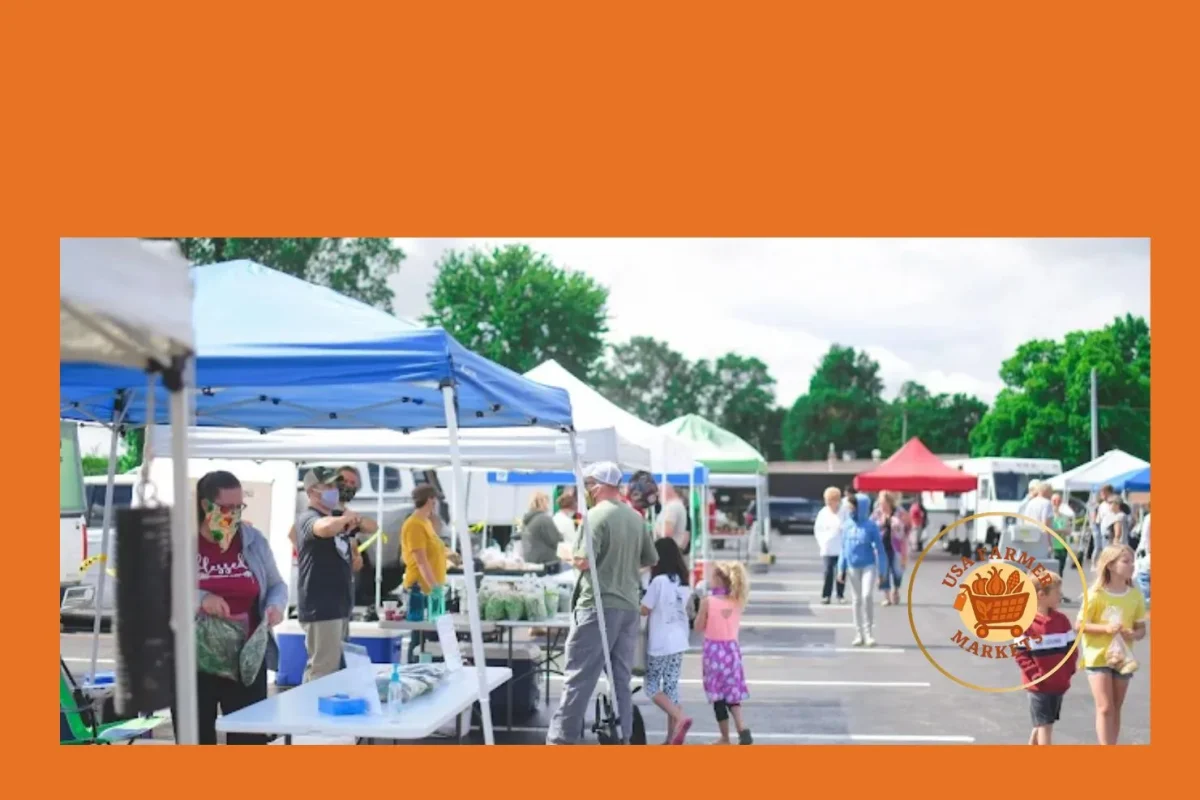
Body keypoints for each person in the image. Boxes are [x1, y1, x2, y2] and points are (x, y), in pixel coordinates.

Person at [546, 462, 658, 745]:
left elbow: (583, 560)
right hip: (628, 605)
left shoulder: (594, 516)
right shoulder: (635, 518)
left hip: (597, 604)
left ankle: (561, 741)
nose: (587, 488)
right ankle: (624, 736)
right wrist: (621, 565)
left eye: (589, 483)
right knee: (621, 678)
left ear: (597, 485)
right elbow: (650, 558)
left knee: (579, 676)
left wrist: (568, 554)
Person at [186, 470, 288, 744]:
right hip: (193, 663)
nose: (233, 514)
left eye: (238, 506)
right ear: (205, 505)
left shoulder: (253, 540)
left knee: (249, 740)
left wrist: (275, 606)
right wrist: (201, 598)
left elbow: (278, 585)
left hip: (246, 662)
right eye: (225, 507)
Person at [295, 467, 371, 682]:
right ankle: (309, 713)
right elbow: (323, 528)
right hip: (321, 606)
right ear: (311, 492)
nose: (334, 490)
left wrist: (351, 519)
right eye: (327, 486)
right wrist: (344, 519)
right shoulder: (308, 517)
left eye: (335, 486)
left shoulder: (339, 517)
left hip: (339, 605)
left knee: (336, 670)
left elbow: (371, 526)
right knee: (322, 670)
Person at [1076, 544, 1147, 745]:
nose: (1132, 565)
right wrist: (1105, 629)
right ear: (1110, 565)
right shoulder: (1096, 594)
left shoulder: (1134, 596)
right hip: (1097, 656)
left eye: (1132, 561)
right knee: (1105, 707)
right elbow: (1079, 625)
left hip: (1123, 658)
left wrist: (1133, 633)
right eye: (1126, 561)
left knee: (1116, 706)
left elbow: (1141, 629)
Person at [640, 537, 693, 745]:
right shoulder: (683, 581)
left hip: (660, 642)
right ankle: (671, 739)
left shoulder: (658, 581)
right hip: (679, 640)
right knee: (671, 687)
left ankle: (680, 717)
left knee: (651, 686)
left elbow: (645, 609)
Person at [1013, 571, 1076, 745]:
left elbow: (1071, 649)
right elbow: (1020, 654)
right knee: (1045, 725)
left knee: (1045, 723)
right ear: (1041, 595)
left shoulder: (1062, 621)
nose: (1060, 597)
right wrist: (1035, 674)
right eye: (1057, 593)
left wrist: (1068, 670)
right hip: (1038, 685)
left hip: (1058, 682)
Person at [693, 561, 752, 744]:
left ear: (718, 580)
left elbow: (698, 627)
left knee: (717, 695)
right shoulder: (737, 601)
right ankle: (742, 727)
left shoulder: (708, 602)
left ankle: (725, 737)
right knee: (732, 693)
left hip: (714, 652)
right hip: (732, 652)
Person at [837, 493, 887, 647]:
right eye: (849, 507)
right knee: (856, 599)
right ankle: (858, 634)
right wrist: (841, 568)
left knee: (866, 596)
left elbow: (880, 549)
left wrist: (882, 571)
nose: (850, 510)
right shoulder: (846, 525)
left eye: (853, 507)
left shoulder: (871, 526)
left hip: (868, 565)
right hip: (853, 566)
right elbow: (843, 549)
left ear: (861, 508)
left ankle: (869, 633)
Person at [872, 492, 907, 607]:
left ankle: (895, 590)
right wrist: (879, 524)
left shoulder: (899, 512)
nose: (882, 506)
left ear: (889, 502)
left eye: (884, 503)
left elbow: (906, 528)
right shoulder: (877, 513)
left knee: (897, 571)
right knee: (883, 571)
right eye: (880, 503)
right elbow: (870, 526)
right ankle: (886, 597)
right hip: (881, 548)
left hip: (896, 547)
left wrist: (897, 524)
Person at [814, 486, 845, 605]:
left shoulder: (844, 512)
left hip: (841, 548)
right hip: (827, 548)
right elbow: (818, 529)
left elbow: (847, 527)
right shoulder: (823, 513)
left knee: (841, 572)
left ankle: (840, 594)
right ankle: (826, 595)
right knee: (828, 572)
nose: (829, 503)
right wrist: (822, 542)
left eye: (831, 500)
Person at [520, 491, 563, 565]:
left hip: (530, 562)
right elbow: (557, 541)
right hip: (547, 564)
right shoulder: (543, 519)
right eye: (547, 502)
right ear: (543, 502)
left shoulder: (527, 520)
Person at [1049, 493, 1076, 604]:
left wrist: (1057, 531)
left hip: (1062, 546)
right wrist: (1060, 531)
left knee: (1060, 572)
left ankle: (1058, 593)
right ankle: (1050, 593)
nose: (1056, 502)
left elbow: (1068, 531)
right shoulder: (1049, 517)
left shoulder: (1064, 517)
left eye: (1058, 500)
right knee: (1051, 572)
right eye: (1054, 500)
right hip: (1052, 546)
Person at [655, 483, 690, 551]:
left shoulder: (672, 508)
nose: (657, 496)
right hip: (675, 550)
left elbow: (666, 532)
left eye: (659, 493)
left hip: (668, 551)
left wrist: (654, 528)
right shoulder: (677, 506)